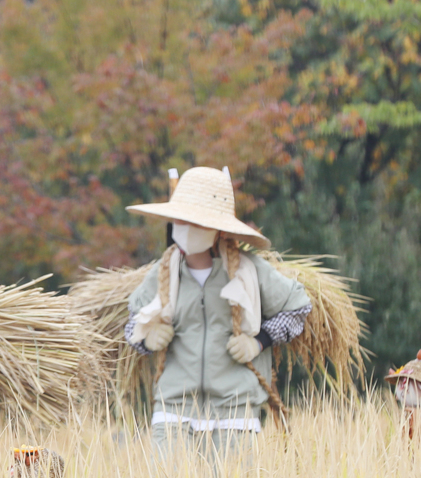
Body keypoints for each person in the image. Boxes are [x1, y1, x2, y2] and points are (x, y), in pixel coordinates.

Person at [124, 166, 312, 455]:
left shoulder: (250, 270)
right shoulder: (162, 273)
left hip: (235, 411)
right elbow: (132, 324)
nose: (185, 229)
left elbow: (298, 308)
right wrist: (147, 338)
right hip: (173, 409)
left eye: (195, 222)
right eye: (180, 220)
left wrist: (258, 342)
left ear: (217, 229)